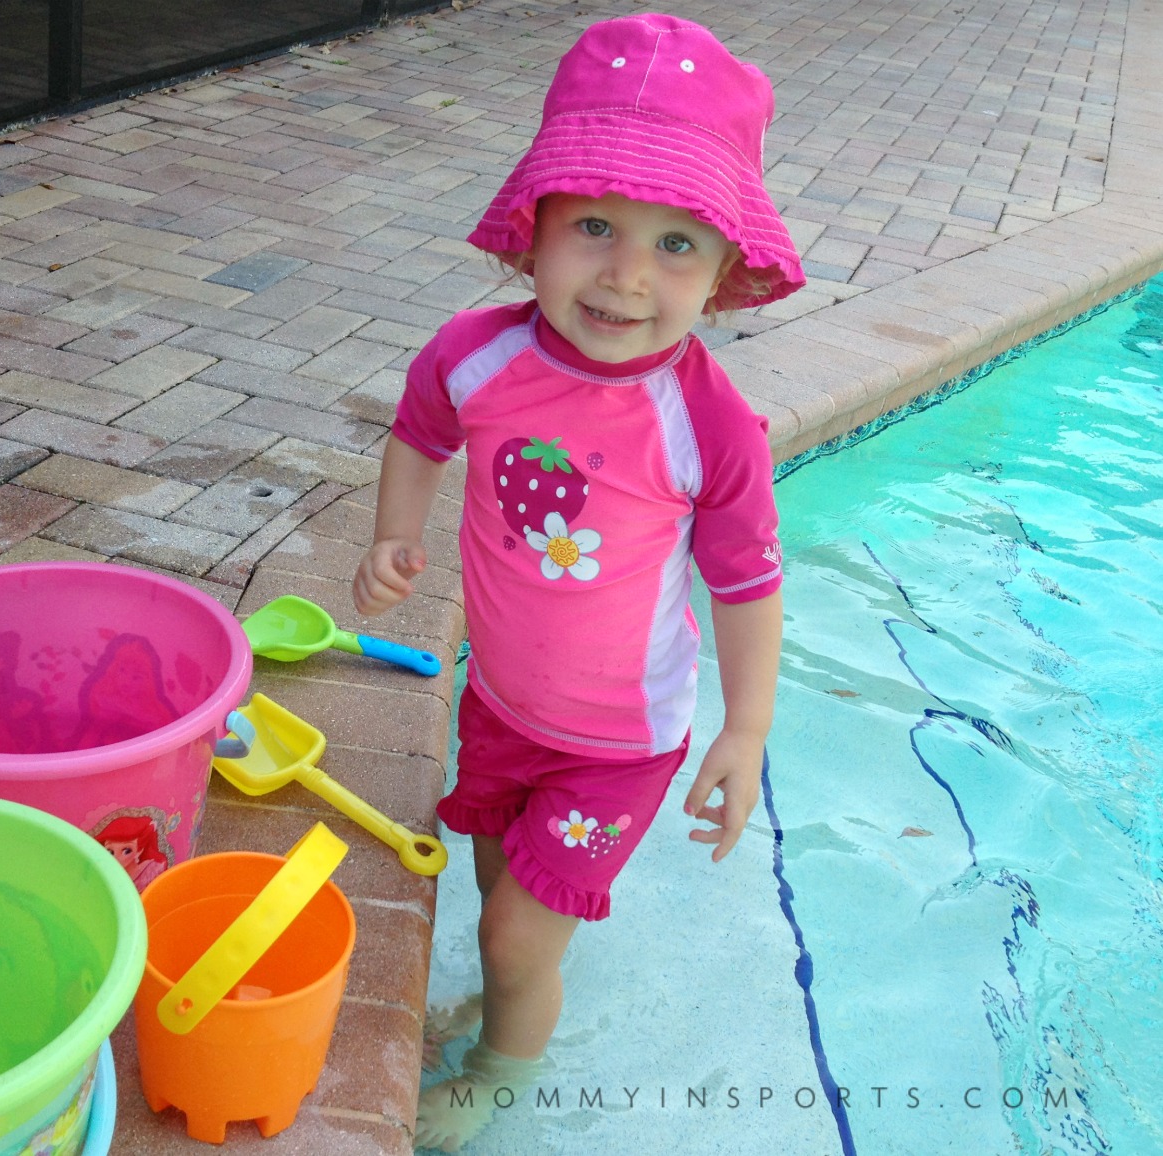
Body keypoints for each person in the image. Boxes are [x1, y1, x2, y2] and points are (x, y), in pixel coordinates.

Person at [350, 13, 805, 1151]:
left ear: (724, 272)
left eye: (675, 244)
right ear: (534, 229)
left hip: (620, 741)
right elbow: (417, 431)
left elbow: (747, 584)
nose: (625, 275)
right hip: (501, 707)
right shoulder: (476, 352)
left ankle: (508, 1066)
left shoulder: (711, 424)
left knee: (512, 936)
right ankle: (514, 993)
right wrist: (393, 536)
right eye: (596, 225)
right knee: (501, 890)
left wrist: (744, 731)